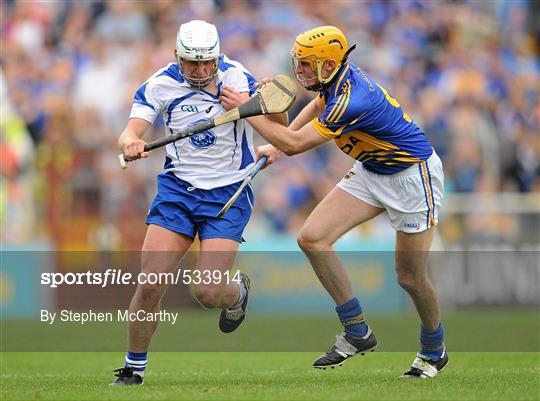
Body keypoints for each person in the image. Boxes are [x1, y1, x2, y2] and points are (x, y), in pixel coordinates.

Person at [221, 25, 448, 378]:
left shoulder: (352, 99)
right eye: (300, 63)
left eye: (309, 65)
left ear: (330, 64)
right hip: (373, 170)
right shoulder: (333, 82)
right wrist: (281, 144)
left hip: (411, 179)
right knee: (311, 238)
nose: (300, 72)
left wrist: (250, 113)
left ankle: (434, 350)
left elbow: (298, 146)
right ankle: (357, 330)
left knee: (409, 278)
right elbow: (314, 106)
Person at [111, 20, 286, 386]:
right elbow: (132, 130)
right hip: (177, 193)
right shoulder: (160, 83)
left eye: (208, 63)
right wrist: (130, 141)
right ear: (177, 56)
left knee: (207, 292)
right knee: (151, 283)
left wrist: (250, 104)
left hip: (228, 195)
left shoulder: (238, 77)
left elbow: (280, 122)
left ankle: (237, 292)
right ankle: (133, 369)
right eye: (193, 64)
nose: (202, 71)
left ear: (218, 56)